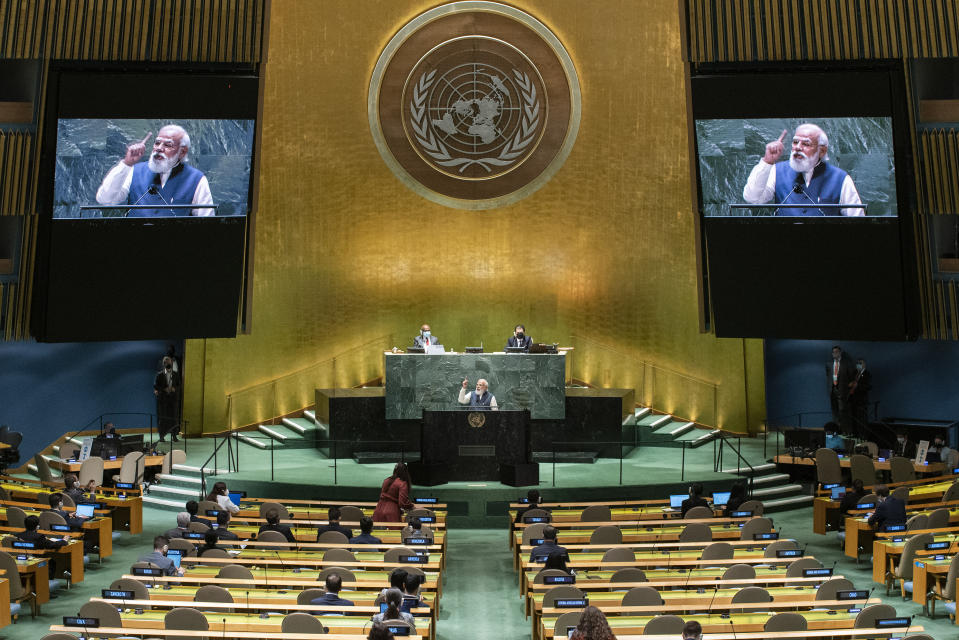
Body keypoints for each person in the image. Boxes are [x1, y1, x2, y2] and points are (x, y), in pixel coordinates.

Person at [742, 124, 863, 217]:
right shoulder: (777, 171)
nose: (798, 147)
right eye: (795, 142)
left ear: (822, 151)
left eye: (806, 143)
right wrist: (767, 161)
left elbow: (857, 218)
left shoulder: (841, 179)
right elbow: (752, 198)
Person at [96, 125, 214, 217]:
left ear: (182, 152)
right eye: (157, 143)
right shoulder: (135, 171)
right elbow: (105, 199)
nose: (159, 148)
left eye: (168, 145)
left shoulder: (197, 179)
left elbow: (207, 220)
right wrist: (126, 164)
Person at [826, 346, 857, 433]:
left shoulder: (846, 364)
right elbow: (828, 376)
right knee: (835, 411)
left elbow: (851, 376)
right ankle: (836, 430)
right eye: (833, 352)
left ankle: (846, 430)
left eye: (836, 352)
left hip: (843, 391)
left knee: (843, 411)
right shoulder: (829, 364)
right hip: (832, 390)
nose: (834, 353)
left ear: (840, 353)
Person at [155, 356, 181, 441]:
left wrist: (175, 388)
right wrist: (163, 389)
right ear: (163, 364)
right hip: (163, 400)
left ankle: (174, 436)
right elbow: (156, 386)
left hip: (173, 400)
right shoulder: (159, 375)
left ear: (171, 363)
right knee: (163, 418)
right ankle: (162, 436)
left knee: (174, 418)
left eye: (169, 362)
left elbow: (179, 385)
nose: (168, 364)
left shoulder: (176, 374)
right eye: (166, 362)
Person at [849, 358, 873, 436]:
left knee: (862, 419)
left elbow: (868, 386)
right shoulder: (854, 373)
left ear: (864, 365)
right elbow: (850, 383)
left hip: (862, 401)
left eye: (860, 363)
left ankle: (863, 435)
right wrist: (850, 384)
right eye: (857, 363)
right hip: (853, 399)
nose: (859, 365)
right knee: (854, 419)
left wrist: (858, 385)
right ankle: (855, 434)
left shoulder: (867, 374)